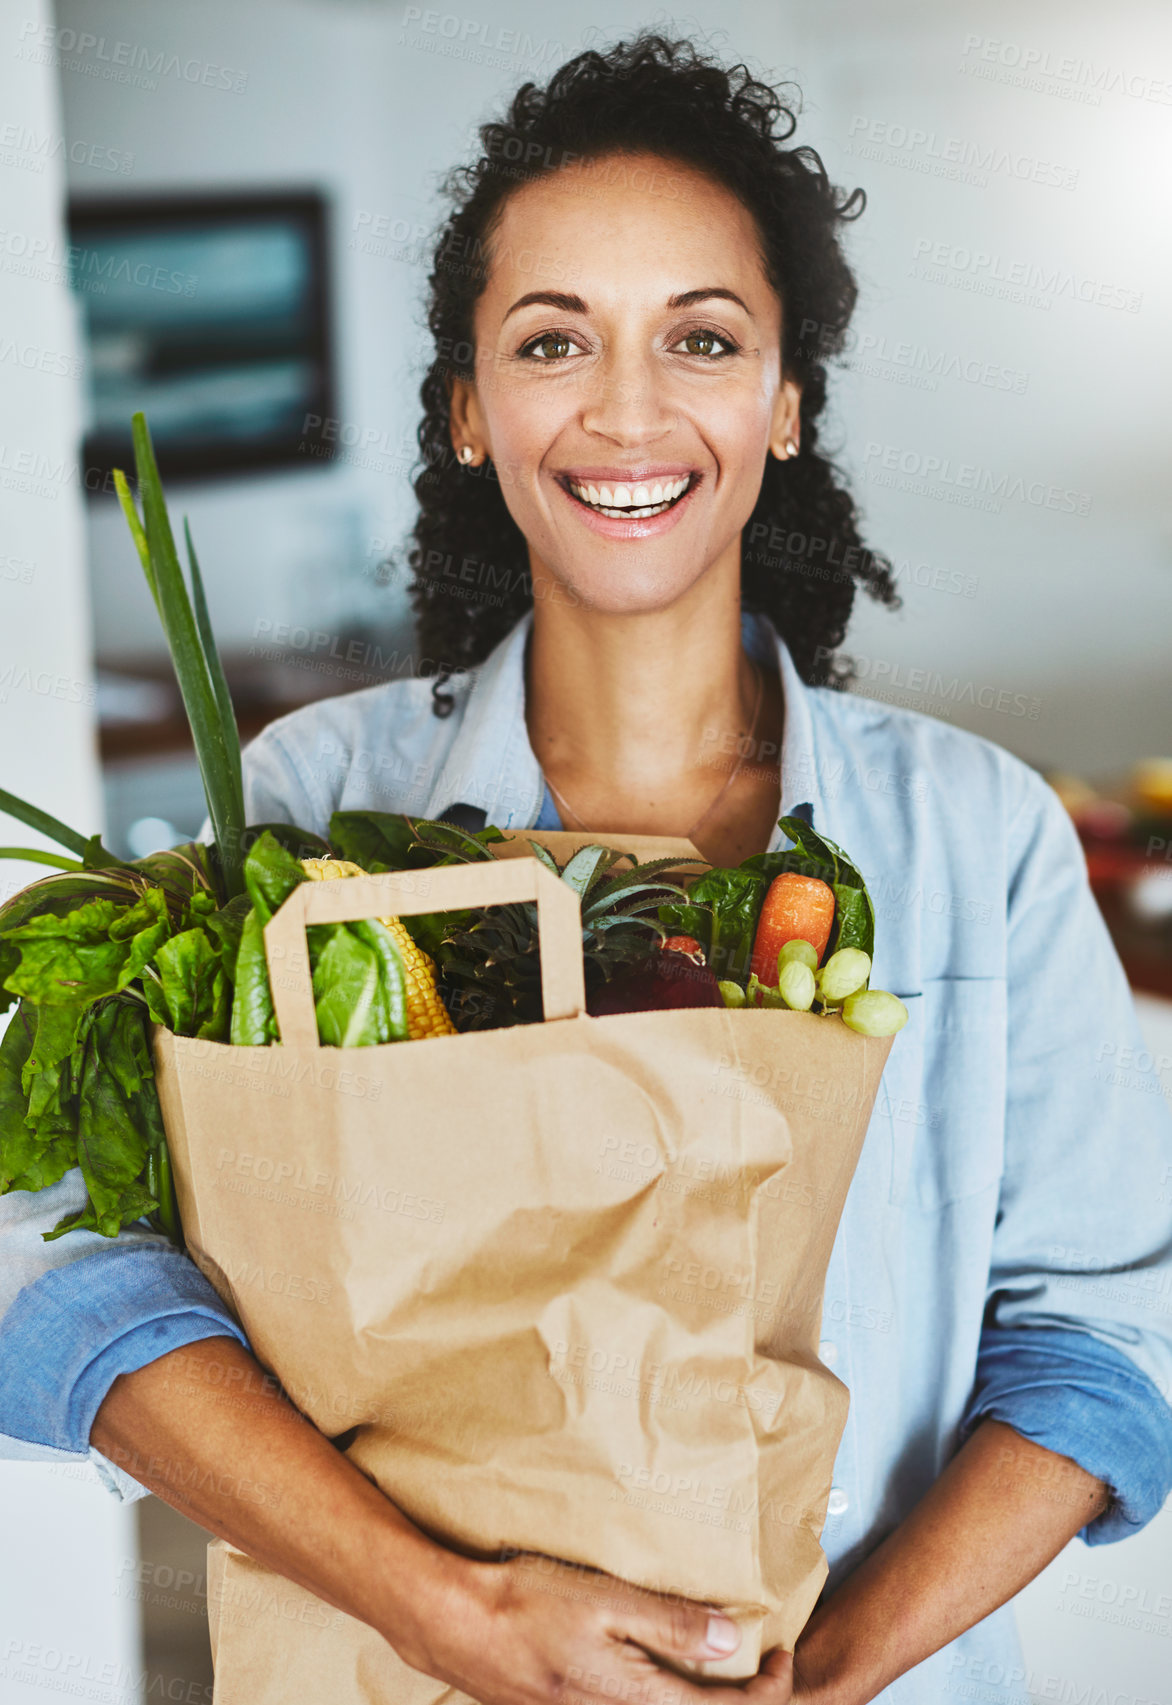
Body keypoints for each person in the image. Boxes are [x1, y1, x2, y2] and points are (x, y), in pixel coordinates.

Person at [3, 32, 1171, 1705]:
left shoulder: (976, 840)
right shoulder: (308, 809)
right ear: (470, 410)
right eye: (556, 341)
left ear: (785, 406)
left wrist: (827, 1671)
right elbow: (63, 1272)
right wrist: (447, 1612)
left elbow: (1104, 1350)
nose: (629, 411)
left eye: (702, 338)